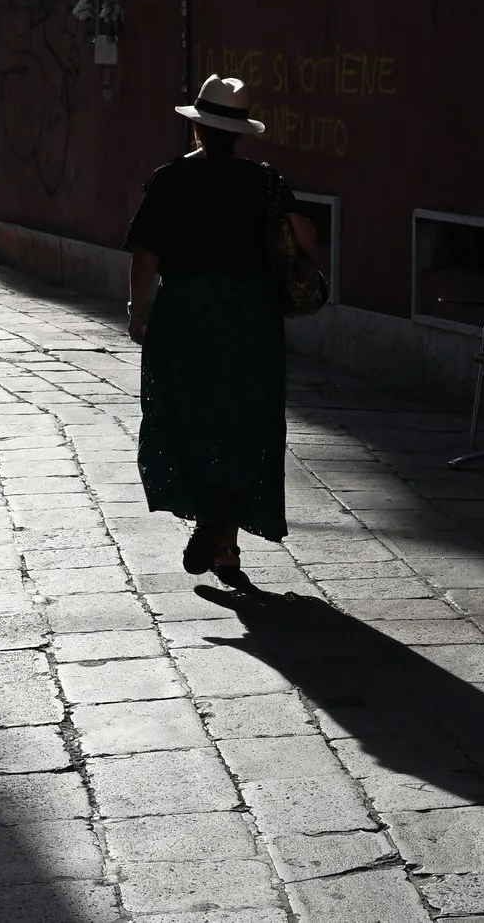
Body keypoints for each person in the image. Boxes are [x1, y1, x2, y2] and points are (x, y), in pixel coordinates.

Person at [124, 75, 317, 588]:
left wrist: (137, 311)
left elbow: (146, 257)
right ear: (241, 133)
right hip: (250, 315)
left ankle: (210, 517)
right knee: (242, 420)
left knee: (186, 415)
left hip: (186, 311)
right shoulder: (264, 181)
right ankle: (226, 548)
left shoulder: (169, 180)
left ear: (197, 129)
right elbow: (307, 239)